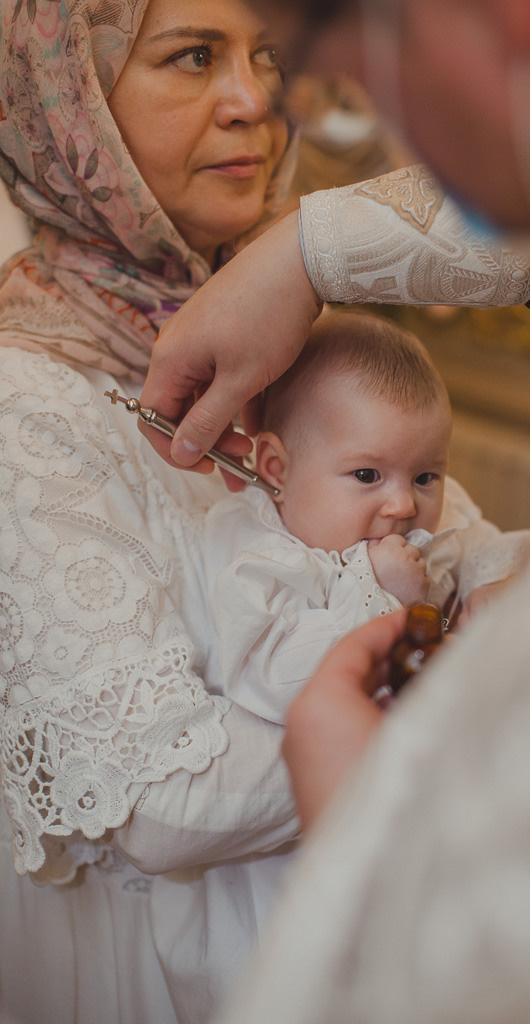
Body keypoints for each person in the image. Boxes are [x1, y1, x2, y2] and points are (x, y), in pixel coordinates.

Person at [132, 1, 530, 1023]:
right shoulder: (254, 544)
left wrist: (507, 596)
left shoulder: (418, 520)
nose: (403, 150)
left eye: (367, 87)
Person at [0, 1, 298, 1022]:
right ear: (66, 101)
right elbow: (164, 802)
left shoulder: (288, 339)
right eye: (193, 56)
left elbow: (456, 553)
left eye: (267, 55)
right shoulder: (25, 403)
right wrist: (447, 698)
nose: (252, 100)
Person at [205, 310, 530, 725]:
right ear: (277, 469)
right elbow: (276, 684)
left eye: (424, 477)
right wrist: (376, 592)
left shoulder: (428, 516)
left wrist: (488, 584)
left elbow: (481, 543)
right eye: (367, 475)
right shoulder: (261, 563)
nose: (404, 505)